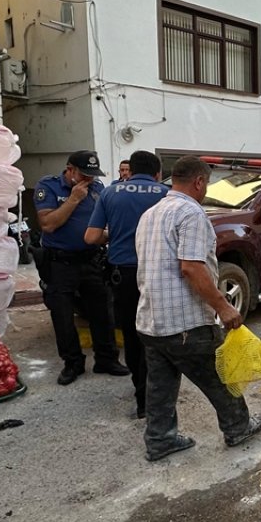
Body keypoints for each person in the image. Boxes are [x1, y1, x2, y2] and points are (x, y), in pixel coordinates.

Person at [135, 156, 261, 461]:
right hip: (186, 323)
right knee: (218, 376)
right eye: (206, 184)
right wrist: (224, 307)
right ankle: (238, 426)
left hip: (151, 320)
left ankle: (159, 440)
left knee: (160, 387)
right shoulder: (191, 213)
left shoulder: (150, 214)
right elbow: (192, 269)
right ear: (199, 182)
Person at [84, 150, 169, 418]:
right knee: (159, 333)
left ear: (129, 170)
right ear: (157, 173)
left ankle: (141, 397)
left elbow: (91, 237)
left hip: (124, 275)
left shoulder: (111, 193)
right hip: (159, 273)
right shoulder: (166, 194)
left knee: (133, 335)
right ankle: (161, 393)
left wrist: (116, 235)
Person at [35, 150, 130, 385]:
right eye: (84, 174)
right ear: (70, 170)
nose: (89, 179)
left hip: (91, 259)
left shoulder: (98, 190)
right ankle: (73, 363)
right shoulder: (49, 187)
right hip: (60, 263)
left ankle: (106, 359)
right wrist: (74, 199)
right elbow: (48, 224)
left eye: (92, 175)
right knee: (63, 315)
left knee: (102, 311)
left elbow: (102, 225)